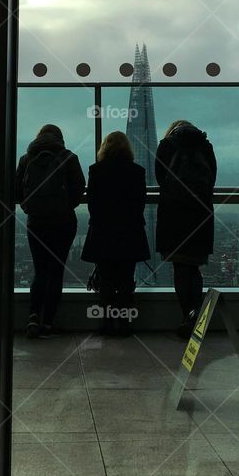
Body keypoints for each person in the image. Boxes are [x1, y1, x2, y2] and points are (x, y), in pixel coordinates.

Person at [15, 124, 85, 338]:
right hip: (63, 222)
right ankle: (48, 323)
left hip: (36, 222)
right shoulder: (69, 157)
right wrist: (64, 207)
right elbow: (79, 189)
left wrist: (29, 207)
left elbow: (17, 192)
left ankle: (33, 316)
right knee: (56, 271)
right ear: (59, 138)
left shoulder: (26, 159)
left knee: (40, 271)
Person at [81, 131, 149, 336]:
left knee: (107, 279)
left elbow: (92, 203)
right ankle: (124, 324)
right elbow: (140, 204)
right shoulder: (137, 171)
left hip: (103, 232)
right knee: (126, 279)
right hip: (129, 231)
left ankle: (107, 324)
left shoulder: (96, 170)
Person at [155, 120, 216, 339]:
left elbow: (161, 179)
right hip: (200, 214)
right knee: (194, 267)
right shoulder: (205, 146)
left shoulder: (166, 145)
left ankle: (187, 317)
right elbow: (211, 181)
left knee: (180, 268)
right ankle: (196, 316)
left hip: (174, 214)